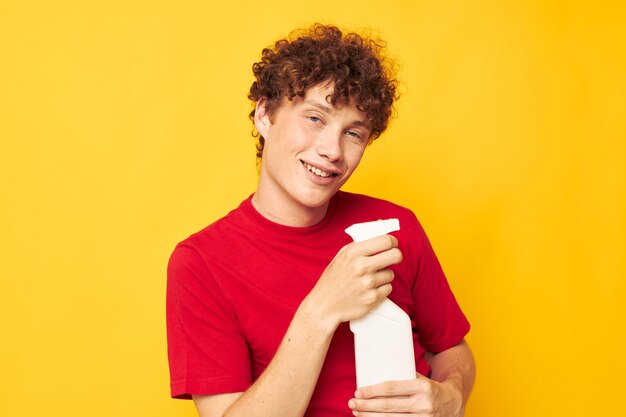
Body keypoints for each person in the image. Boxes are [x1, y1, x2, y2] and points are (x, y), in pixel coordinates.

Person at [166, 24, 475, 417]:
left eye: (353, 133)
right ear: (264, 114)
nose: (331, 150)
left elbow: (452, 348)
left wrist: (451, 396)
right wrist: (322, 309)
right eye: (315, 118)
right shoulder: (201, 263)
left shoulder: (396, 227)